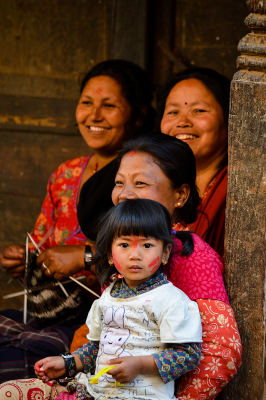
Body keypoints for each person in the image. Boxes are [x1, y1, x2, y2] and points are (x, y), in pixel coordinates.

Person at [0, 59, 155, 382]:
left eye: (109, 105)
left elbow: (157, 258)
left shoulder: (147, 182)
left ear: (138, 114)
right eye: (87, 103)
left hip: (106, 326)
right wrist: (25, 262)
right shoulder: (65, 175)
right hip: (52, 314)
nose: (94, 115)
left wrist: (85, 257)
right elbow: (43, 253)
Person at [77, 134, 241, 399]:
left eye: (140, 183)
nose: (124, 194)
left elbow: (220, 351)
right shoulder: (125, 253)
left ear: (181, 195)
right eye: (119, 183)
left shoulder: (189, 254)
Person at [2, 199, 202, 399]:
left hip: (144, 396)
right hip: (95, 393)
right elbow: (96, 349)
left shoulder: (170, 300)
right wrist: (67, 363)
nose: (135, 254)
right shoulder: (107, 298)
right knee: (8, 392)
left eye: (147, 245)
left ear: (165, 253)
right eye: (124, 245)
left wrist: (140, 365)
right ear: (108, 255)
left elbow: (188, 355)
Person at [157, 67, 229, 257]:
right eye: (173, 112)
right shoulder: (152, 185)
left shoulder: (243, 188)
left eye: (199, 110)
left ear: (231, 120)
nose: (183, 121)